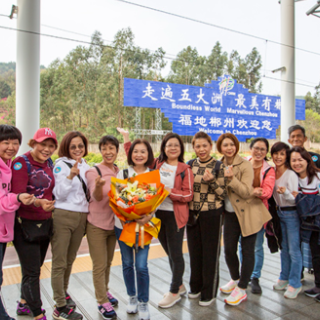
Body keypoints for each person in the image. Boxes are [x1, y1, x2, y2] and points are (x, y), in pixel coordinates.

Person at [118, 128, 194, 309]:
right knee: (169, 251)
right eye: (169, 145)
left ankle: (174, 291)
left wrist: (170, 192)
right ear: (164, 148)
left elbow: (188, 195)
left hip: (176, 216)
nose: (173, 148)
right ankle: (181, 285)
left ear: (181, 148)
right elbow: (137, 156)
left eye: (176, 145)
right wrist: (127, 138)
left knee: (176, 253)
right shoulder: (158, 164)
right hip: (157, 216)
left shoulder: (185, 169)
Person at [217, 133, 271, 306]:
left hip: (249, 212)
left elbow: (248, 191)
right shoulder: (218, 165)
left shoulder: (245, 164)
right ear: (220, 148)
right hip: (231, 214)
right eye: (225, 145)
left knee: (248, 251)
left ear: (237, 146)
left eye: (232, 144)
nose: (229, 148)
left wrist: (231, 179)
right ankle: (235, 278)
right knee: (229, 250)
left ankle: (241, 289)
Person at [11, 128, 57, 320]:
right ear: (33, 143)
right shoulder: (21, 163)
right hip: (24, 224)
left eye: (51, 146)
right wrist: (38, 202)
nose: (46, 149)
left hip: (44, 222)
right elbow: (18, 195)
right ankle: (38, 313)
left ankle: (23, 304)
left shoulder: (49, 163)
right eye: (42, 145)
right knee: (32, 272)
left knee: (35, 266)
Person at [51, 131, 91, 320]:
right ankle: (60, 306)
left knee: (69, 260)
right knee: (59, 262)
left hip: (81, 217)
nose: (77, 149)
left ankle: (63, 294)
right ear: (66, 147)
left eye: (80, 146)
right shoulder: (61, 165)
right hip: (63, 215)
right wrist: (70, 176)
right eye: (73, 146)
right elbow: (58, 194)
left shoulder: (86, 165)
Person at [115, 139, 155, 320]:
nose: (139, 155)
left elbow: (155, 201)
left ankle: (144, 301)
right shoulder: (123, 173)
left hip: (144, 226)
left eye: (143, 151)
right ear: (130, 154)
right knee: (127, 264)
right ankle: (132, 297)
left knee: (141, 266)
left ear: (148, 155)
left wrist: (148, 216)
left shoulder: (153, 174)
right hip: (122, 226)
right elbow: (117, 199)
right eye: (135, 151)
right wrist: (127, 216)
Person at [186, 132, 226, 306]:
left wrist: (212, 182)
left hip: (212, 214)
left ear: (210, 146)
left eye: (204, 145)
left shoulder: (218, 166)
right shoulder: (189, 165)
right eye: (197, 146)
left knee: (210, 254)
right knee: (195, 253)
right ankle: (195, 287)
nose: (201, 149)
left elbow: (224, 194)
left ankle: (209, 293)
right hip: (192, 214)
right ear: (193, 147)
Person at [0, 125, 35, 320]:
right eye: (5, 142)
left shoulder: (9, 164)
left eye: (15, 142)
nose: (11, 146)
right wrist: (17, 197)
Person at [85, 135, 120, 320]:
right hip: (96, 225)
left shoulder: (118, 171)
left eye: (111, 148)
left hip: (113, 224)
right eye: (104, 148)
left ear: (117, 150)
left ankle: (105, 291)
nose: (108, 152)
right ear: (100, 150)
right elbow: (97, 197)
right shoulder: (93, 171)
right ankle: (101, 301)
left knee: (107, 263)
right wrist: (98, 186)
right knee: (99, 265)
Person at [239, 138, 275, 294]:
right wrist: (252, 190)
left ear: (266, 152)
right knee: (242, 244)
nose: (259, 152)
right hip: (241, 210)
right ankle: (244, 275)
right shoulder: (243, 164)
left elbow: (267, 191)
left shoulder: (268, 170)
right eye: (256, 148)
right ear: (251, 148)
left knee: (256, 246)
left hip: (258, 211)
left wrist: (254, 191)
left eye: (263, 149)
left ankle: (255, 277)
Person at [288, 147, 320, 302]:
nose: (297, 163)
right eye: (293, 160)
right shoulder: (292, 179)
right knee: (316, 254)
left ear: (308, 161)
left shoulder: (318, 177)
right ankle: (318, 285)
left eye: (300, 159)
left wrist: (301, 197)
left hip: (318, 221)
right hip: (309, 224)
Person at [271, 142, 302, 299]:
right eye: (276, 153)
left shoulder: (290, 174)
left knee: (294, 250)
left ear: (286, 156)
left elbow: (295, 199)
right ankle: (284, 277)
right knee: (284, 248)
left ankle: (295, 283)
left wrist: (286, 193)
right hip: (279, 214)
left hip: (291, 214)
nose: (278, 156)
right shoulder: (272, 172)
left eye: (282, 154)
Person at [287, 124, 317, 278]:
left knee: (314, 244)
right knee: (294, 244)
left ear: (305, 139)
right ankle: (297, 274)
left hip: (312, 212)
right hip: (293, 212)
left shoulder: (314, 158)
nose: (296, 139)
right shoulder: (286, 160)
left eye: (299, 136)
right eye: (293, 137)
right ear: (289, 140)